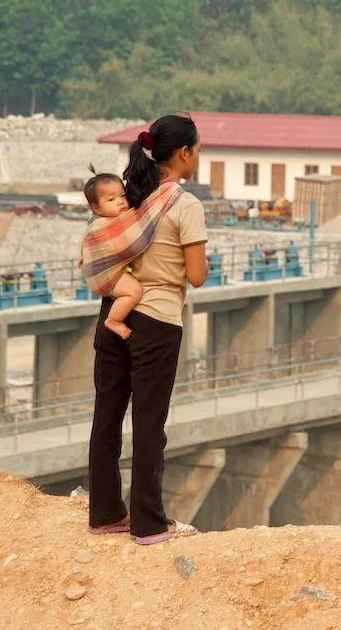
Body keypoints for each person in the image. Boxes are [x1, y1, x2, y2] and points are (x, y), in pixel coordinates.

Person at [87, 114, 209, 546]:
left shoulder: (128, 196)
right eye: (198, 148)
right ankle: (149, 524)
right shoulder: (184, 205)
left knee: (107, 415)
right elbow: (195, 276)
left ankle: (104, 515)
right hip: (157, 319)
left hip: (113, 313)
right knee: (149, 421)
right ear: (183, 152)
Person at [80, 172, 142, 339]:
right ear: (96, 208)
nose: (120, 201)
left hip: (96, 272)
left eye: (122, 195)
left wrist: (83, 257)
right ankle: (114, 320)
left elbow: (87, 242)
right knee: (134, 292)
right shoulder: (107, 224)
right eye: (111, 199)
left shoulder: (95, 221)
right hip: (105, 276)